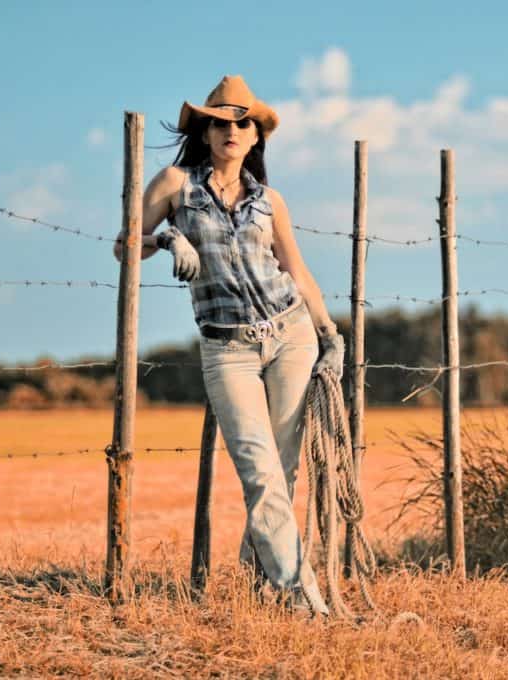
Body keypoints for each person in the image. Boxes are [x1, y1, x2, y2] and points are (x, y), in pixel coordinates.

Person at [112, 74, 344, 617]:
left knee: (282, 474)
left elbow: (298, 271)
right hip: (228, 350)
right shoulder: (175, 184)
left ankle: (258, 582)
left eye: (242, 122)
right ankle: (303, 601)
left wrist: (329, 334)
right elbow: (124, 246)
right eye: (221, 122)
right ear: (207, 131)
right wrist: (168, 236)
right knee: (259, 471)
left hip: (291, 336)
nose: (232, 131)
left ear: (257, 135)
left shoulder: (271, 201)